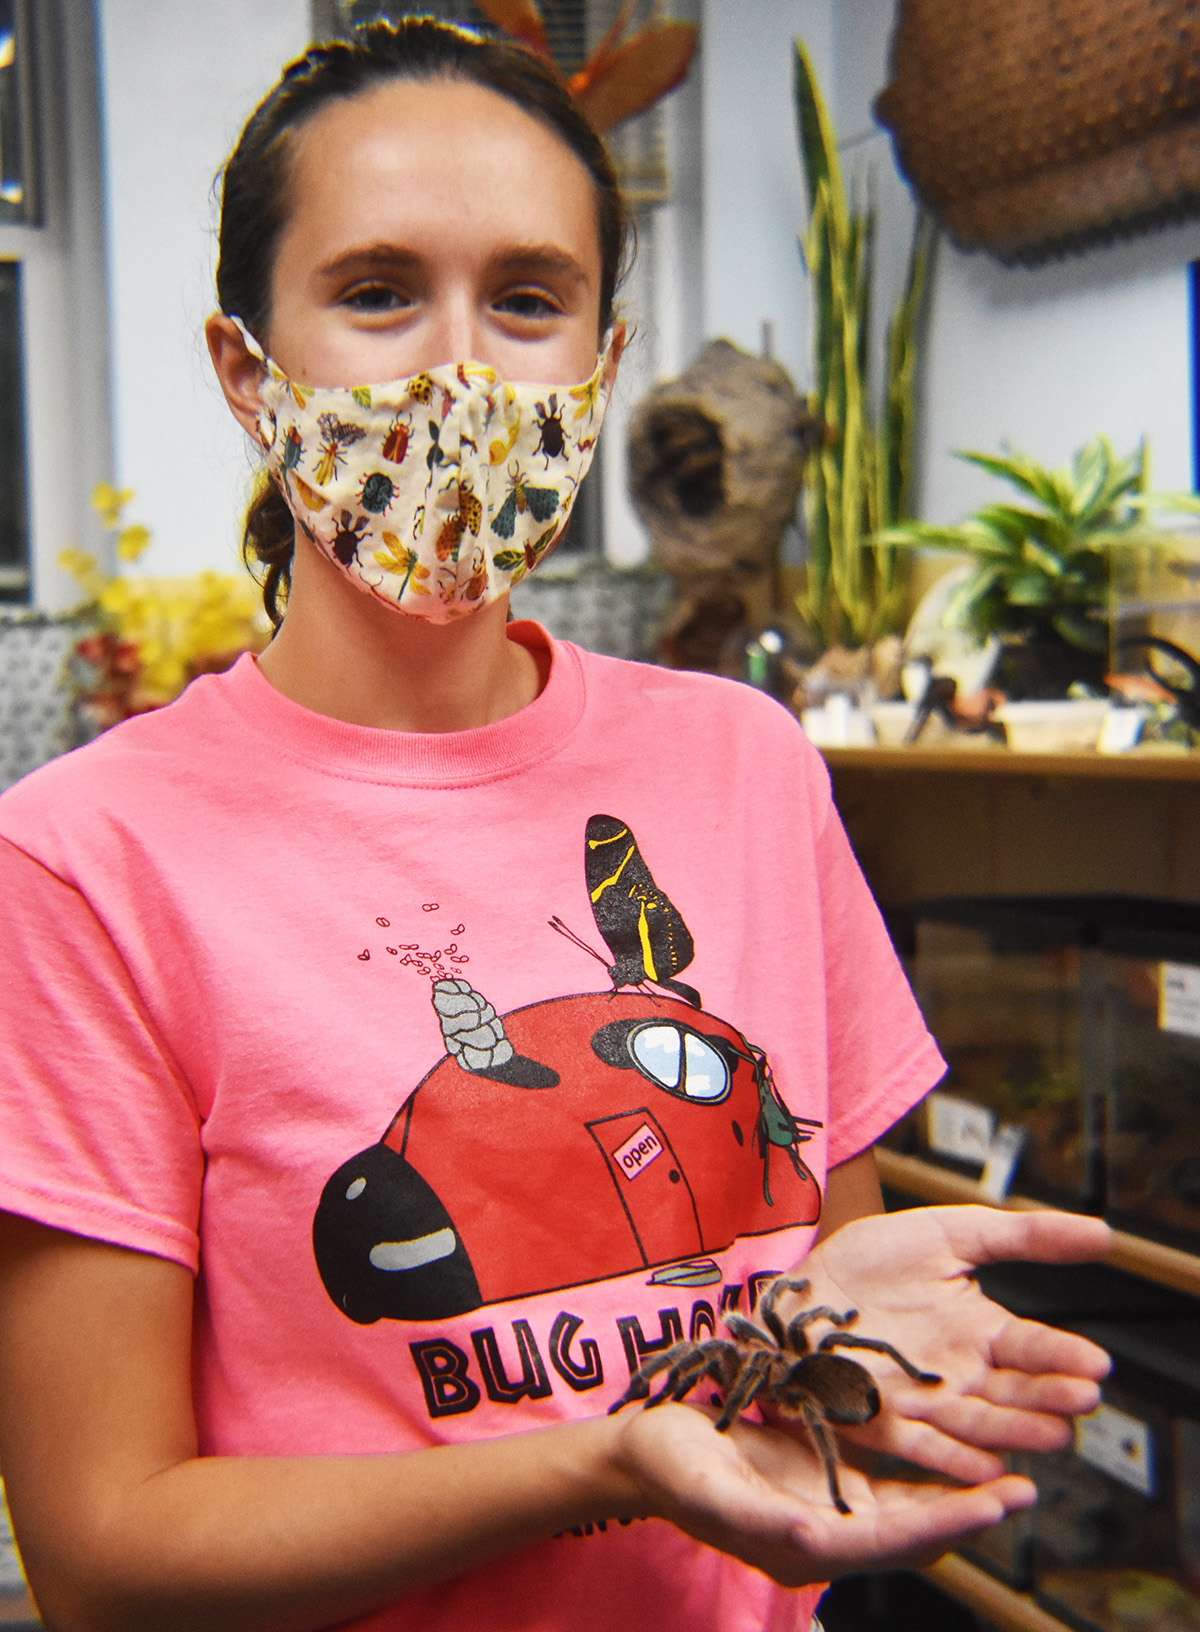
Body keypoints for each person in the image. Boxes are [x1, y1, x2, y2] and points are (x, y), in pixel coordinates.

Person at [0, 18, 1110, 1632]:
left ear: (600, 356)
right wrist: (610, 1460)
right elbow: (102, 1553)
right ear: (251, 371)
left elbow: (813, 1294)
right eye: (378, 292)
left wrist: (850, 1377)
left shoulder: (745, 765)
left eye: (528, 298)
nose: (461, 368)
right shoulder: (86, 861)